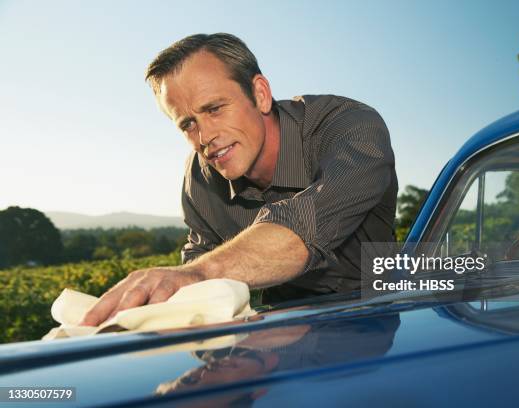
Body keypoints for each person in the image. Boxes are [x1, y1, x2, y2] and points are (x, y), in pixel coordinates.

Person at [79, 33, 397, 327]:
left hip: (382, 318)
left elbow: (306, 224)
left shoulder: (350, 127)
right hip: (278, 336)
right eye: (188, 124)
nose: (205, 137)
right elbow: (201, 256)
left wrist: (199, 274)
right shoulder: (199, 177)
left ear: (259, 94)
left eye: (215, 109)